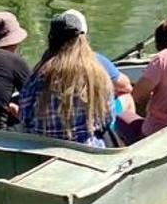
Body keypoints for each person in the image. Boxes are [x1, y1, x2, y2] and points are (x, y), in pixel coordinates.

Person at [20, 11, 114, 147]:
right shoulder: (98, 74)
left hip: (42, 151)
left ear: (51, 40)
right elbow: (107, 120)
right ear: (82, 39)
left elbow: (25, 118)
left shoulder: (38, 75)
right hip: (88, 150)